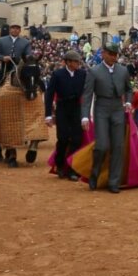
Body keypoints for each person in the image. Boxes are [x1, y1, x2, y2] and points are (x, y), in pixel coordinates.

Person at [80, 43, 132, 194]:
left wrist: (128, 101)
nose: (113, 57)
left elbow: (129, 88)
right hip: (101, 108)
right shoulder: (94, 71)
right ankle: (95, 173)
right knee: (102, 145)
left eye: (115, 54)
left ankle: (113, 181)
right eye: (110, 54)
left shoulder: (123, 71)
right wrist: (84, 116)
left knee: (118, 146)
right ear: (103, 54)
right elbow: (87, 95)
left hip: (117, 108)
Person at [45, 50, 87, 181]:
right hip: (62, 107)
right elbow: (49, 94)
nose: (78, 64)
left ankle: (72, 168)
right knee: (62, 138)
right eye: (76, 62)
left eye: (79, 62)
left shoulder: (83, 74)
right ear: (68, 62)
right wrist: (48, 114)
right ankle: (59, 164)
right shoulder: (57, 74)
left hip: (76, 108)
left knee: (77, 139)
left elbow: (87, 92)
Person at [0, 22, 31, 105]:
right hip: (5, 67)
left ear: (20, 30)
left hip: (20, 68)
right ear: (10, 30)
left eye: (17, 28)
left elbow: (29, 55)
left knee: (39, 83)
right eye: (13, 28)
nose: (15, 30)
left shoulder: (26, 42)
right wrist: (3, 58)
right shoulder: (1, 40)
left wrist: (25, 59)